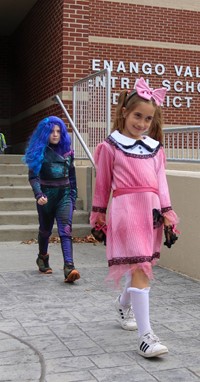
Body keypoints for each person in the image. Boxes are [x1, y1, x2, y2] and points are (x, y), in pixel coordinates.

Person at [90, 77, 179, 358]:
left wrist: (167, 213)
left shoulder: (156, 149)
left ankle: (123, 302)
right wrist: (98, 216)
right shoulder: (110, 147)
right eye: (137, 116)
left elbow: (161, 183)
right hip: (126, 211)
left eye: (148, 118)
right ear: (125, 113)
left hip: (150, 212)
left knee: (140, 266)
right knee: (140, 266)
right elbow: (102, 185)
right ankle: (146, 338)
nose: (142, 123)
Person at [23, 116, 80, 283]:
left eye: (58, 131)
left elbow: (72, 177)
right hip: (46, 196)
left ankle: (69, 267)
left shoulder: (68, 152)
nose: (55, 134)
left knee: (66, 230)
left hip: (65, 195)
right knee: (45, 230)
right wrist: (39, 194)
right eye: (51, 131)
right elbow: (33, 177)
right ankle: (42, 257)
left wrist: (73, 199)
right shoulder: (39, 152)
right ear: (45, 133)